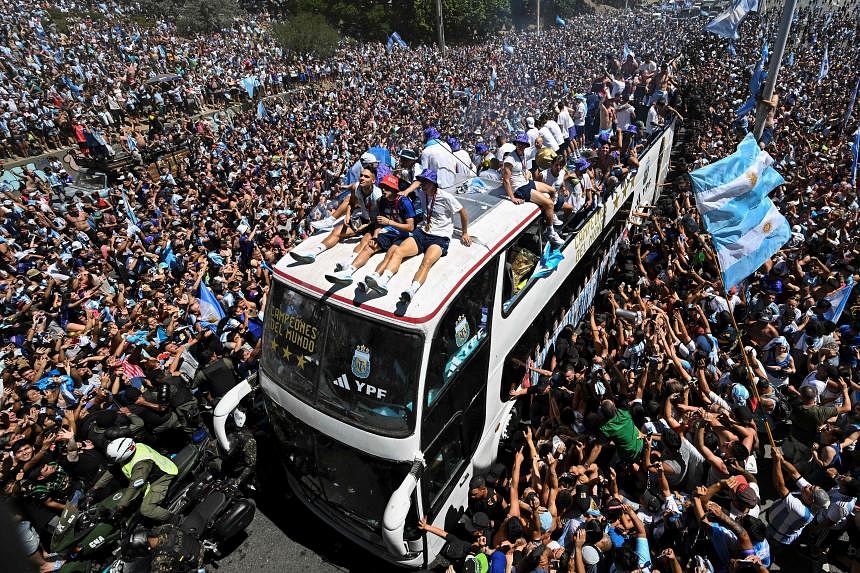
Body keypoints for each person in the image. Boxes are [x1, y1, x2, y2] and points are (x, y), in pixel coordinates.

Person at [362, 169, 471, 302]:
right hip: (422, 232)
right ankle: (383, 281)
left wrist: (465, 232)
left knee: (426, 262)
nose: (422, 184)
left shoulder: (446, 196)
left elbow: (463, 212)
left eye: (425, 181)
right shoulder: (422, 193)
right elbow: (416, 183)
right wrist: (407, 191)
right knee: (398, 251)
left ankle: (412, 290)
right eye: (422, 181)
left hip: (439, 237)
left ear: (433, 183)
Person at [324, 173, 415, 285]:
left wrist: (389, 222)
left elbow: (410, 227)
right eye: (382, 187)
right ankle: (348, 272)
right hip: (389, 232)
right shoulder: (382, 200)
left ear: (394, 189)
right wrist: (376, 237)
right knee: (369, 247)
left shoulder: (404, 202)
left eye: (386, 188)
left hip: (403, 235)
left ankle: (377, 279)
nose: (383, 190)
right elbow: (379, 222)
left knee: (390, 254)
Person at [289, 167, 381, 264]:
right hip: (364, 219)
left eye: (366, 177)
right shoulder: (356, 187)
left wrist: (366, 226)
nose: (362, 178)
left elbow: (382, 218)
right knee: (337, 230)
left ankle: (349, 263)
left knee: (366, 240)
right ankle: (313, 252)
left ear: (373, 181)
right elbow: (351, 203)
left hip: (375, 224)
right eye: (361, 175)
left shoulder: (378, 196)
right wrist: (348, 215)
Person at [501, 132, 564, 247]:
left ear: (525, 145)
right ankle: (551, 232)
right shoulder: (510, 159)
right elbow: (505, 180)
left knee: (552, 191)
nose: (521, 145)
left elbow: (524, 168)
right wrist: (513, 197)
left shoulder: (522, 153)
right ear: (516, 143)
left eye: (523, 144)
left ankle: (551, 216)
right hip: (520, 188)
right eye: (519, 143)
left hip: (526, 182)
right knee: (549, 203)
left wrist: (528, 174)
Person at [93, 438, 178, 522]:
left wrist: (119, 507)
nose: (112, 460)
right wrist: (95, 488)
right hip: (154, 470)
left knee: (146, 510)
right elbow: (113, 470)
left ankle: (175, 519)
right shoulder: (134, 447)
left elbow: (135, 486)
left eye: (114, 458)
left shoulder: (140, 464)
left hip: (161, 478)